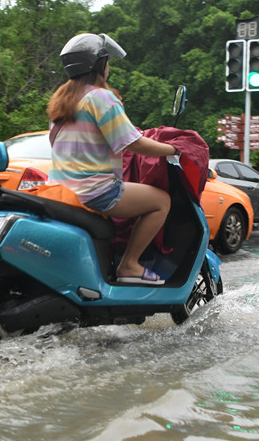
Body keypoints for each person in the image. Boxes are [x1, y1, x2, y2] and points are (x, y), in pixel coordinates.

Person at [47, 32, 181, 284]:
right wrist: (174, 150)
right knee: (161, 200)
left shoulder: (61, 102)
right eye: (107, 61)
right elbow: (135, 142)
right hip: (96, 191)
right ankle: (129, 264)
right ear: (99, 64)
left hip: (63, 191)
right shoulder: (101, 97)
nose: (108, 67)